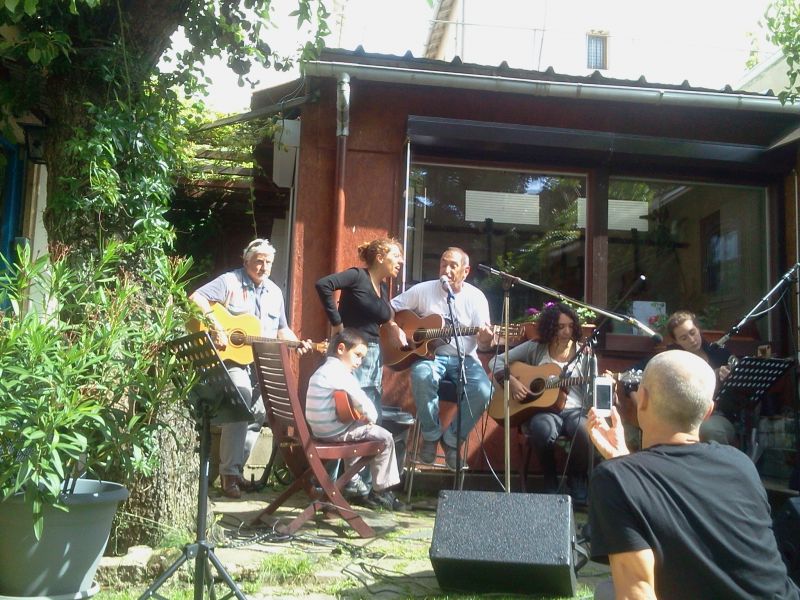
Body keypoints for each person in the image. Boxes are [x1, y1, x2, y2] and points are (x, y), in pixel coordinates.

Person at [586, 349, 799, 600]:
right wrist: (621, 459)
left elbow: (635, 593)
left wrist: (620, 467)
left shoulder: (614, 478)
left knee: (606, 592)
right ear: (708, 411)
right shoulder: (741, 464)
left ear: (641, 398)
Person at [190, 238, 310, 499]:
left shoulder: (275, 292)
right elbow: (196, 297)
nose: (264, 267)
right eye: (258, 261)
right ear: (246, 261)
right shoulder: (229, 281)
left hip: (260, 361)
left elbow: (281, 330)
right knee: (242, 398)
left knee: (260, 411)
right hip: (231, 361)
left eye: (268, 262)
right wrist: (216, 325)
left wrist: (296, 343)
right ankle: (229, 475)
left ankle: (236, 469)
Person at [387, 247, 494, 471]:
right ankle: (431, 435)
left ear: (465, 271)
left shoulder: (476, 298)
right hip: (431, 356)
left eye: (453, 265)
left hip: (465, 358)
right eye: (443, 263)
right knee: (421, 374)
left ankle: (452, 441)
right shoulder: (423, 290)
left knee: (484, 390)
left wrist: (486, 339)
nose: (446, 269)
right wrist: (395, 327)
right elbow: (390, 307)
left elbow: (484, 345)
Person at [490, 302, 591, 503]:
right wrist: (512, 382)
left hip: (575, 409)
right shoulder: (536, 347)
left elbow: (592, 390)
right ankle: (550, 480)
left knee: (583, 430)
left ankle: (577, 480)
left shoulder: (584, 353)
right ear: (550, 327)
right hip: (545, 411)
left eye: (571, 326)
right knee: (541, 429)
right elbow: (496, 361)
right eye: (561, 327)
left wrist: (603, 383)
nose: (567, 331)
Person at [306, 328, 404, 510]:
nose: (359, 362)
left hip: (319, 431)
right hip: (335, 433)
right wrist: (372, 418)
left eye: (362, 358)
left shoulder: (322, 370)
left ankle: (353, 479)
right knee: (385, 437)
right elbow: (361, 399)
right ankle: (381, 488)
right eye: (357, 355)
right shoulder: (340, 373)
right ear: (341, 349)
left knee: (358, 429)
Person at [315, 237, 404, 424]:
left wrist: (393, 325)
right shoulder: (357, 276)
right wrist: (336, 323)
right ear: (380, 257)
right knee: (356, 407)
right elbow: (323, 285)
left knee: (372, 404)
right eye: (396, 256)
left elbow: (383, 314)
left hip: (373, 352)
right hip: (353, 351)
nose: (401, 261)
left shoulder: (383, 287)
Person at [665, 310, 735, 444]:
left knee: (712, 430)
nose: (692, 340)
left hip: (719, 414)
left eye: (692, 332)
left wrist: (730, 377)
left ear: (698, 329)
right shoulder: (675, 361)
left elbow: (738, 392)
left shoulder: (719, 353)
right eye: (684, 338)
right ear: (677, 341)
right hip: (687, 417)